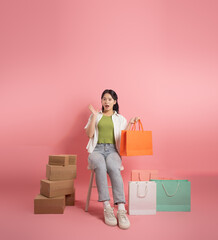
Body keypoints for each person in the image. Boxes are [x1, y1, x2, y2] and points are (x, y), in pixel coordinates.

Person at [84, 89, 139, 230]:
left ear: (115, 102)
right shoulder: (95, 116)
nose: (106, 101)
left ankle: (121, 209)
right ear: (101, 101)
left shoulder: (120, 119)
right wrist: (95, 116)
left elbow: (123, 136)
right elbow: (90, 135)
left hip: (113, 151)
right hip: (96, 150)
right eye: (104, 99)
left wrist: (131, 123)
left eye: (109, 99)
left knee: (114, 168)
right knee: (101, 167)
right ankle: (107, 207)